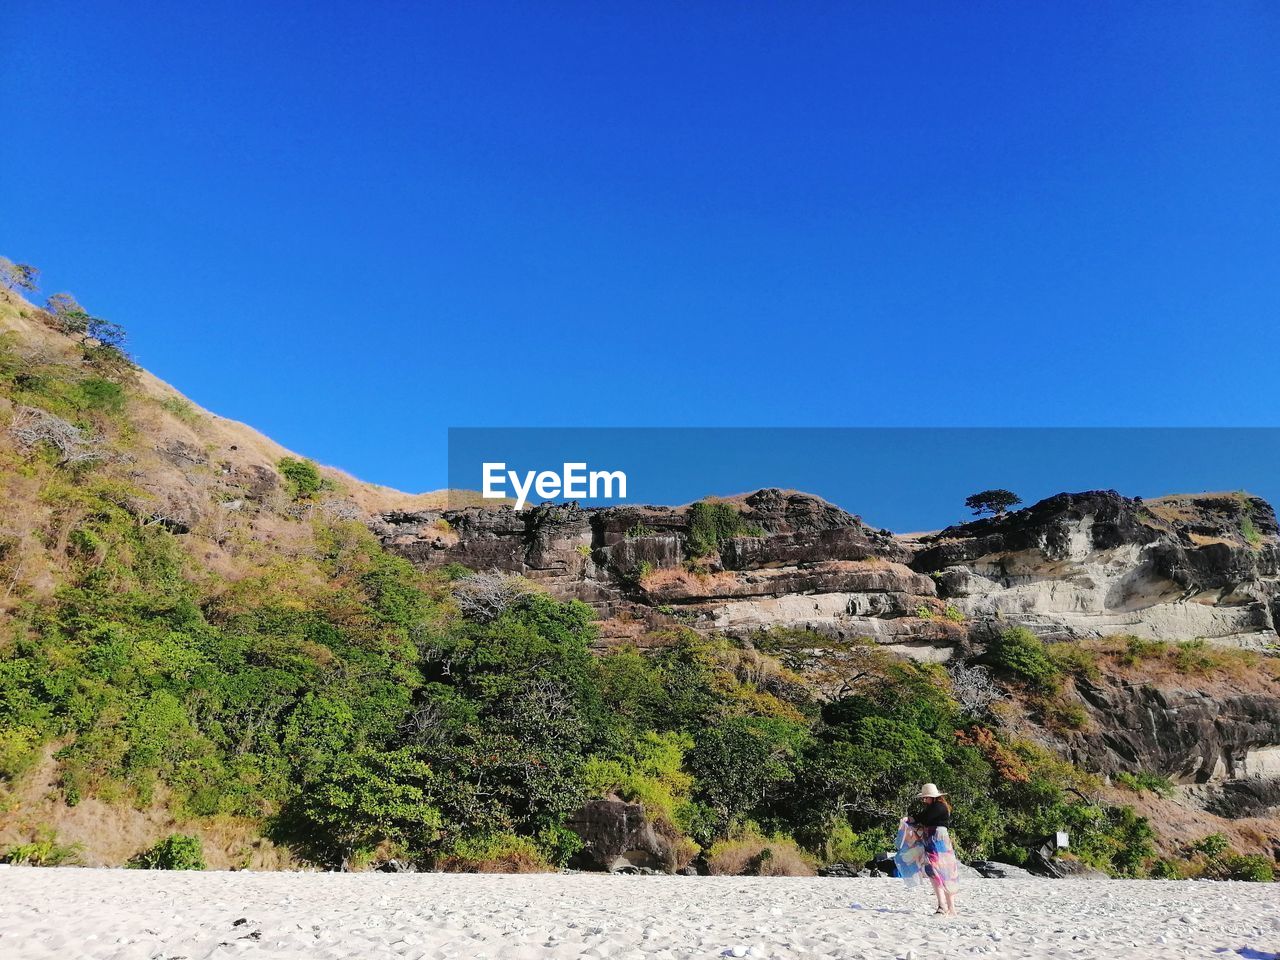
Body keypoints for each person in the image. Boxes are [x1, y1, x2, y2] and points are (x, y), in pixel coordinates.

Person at [893, 783, 960, 916]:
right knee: (944, 872)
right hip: (936, 839)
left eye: (925, 798)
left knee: (936, 871)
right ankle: (949, 907)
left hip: (936, 839)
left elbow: (923, 818)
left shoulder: (938, 807)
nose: (924, 800)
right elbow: (921, 817)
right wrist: (911, 819)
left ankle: (943, 906)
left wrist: (911, 819)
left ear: (932, 797)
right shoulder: (937, 806)